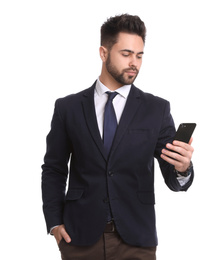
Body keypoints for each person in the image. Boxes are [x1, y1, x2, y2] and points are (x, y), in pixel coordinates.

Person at [41, 14, 194, 260]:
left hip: (136, 240)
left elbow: (173, 177)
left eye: (139, 55)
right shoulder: (67, 108)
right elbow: (54, 169)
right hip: (78, 238)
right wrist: (54, 223)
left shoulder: (157, 109)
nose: (134, 62)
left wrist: (183, 168)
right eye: (126, 54)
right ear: (103, 53)